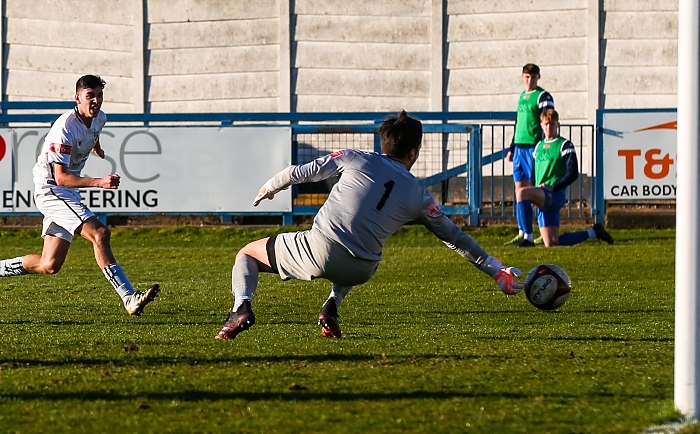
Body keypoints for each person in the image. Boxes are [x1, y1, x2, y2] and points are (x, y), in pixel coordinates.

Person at [216, 110, 524, 340]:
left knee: (247, 254)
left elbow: (302, 171)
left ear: (383, 142)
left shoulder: (354, 157)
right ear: (413, 153)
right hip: (362, 269)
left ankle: (240, 308)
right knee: (363, 243)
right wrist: (497, 270)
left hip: (320, 249)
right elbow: (456, 238)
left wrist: (271, 186)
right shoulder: (420, 196)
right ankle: (331, 306)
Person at [0, 75, 160, 315]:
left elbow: (92, 133)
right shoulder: (65, 127)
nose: (95, 101)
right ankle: (128, 297)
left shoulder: (100, 118)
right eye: (90, 96)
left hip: (66, 192)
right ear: (77, 98)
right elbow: (62, 177)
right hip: (52, 188)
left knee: (49, 264)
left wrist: (95, 146)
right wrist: (100, 182)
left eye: (99, 95)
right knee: (100, 233)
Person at [516, 109, 614, 247]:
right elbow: (533, 173)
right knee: (552, 243)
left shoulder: (564, 145)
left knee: (521, 192)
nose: (549, 127)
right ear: (541, 125)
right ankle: (594, 232)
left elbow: (573, 173)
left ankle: (528, 238)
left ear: (558, 124)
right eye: (546, 124)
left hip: (553, 194)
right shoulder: (538, 146)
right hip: (542, 194)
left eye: (552, 124)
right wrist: (533, 192)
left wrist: (554, 187)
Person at [505, 63, 555, 247]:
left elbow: (547, 121)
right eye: (526, 77)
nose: (529, 80)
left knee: (537, 191)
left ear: (538, 77)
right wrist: (512, 147)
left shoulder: (543, 96)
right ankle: (524, 231)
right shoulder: (521, 96)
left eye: (533, 77)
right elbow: (519, 122)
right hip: (519, 148)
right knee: (520, 191)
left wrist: (542, 146)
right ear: (522, 77)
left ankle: (543, 230)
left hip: (533, 147)